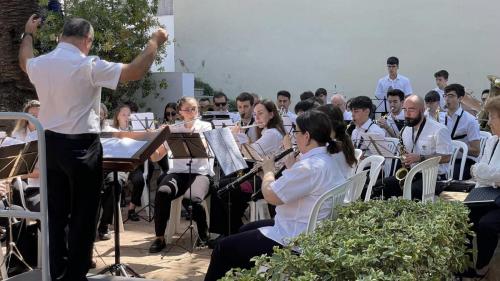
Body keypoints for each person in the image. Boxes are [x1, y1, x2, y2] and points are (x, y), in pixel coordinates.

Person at [19, 15, 168, 280]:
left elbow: (24, 60)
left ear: (61, 36)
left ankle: (58, 274)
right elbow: (134, 71)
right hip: (81, 148)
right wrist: (155, 41)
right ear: (87, 40)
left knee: (56, 214)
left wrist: (28, 34)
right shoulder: (88, 64)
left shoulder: (40, 64)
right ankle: (75, 276)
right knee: (84, 216)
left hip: (50, 146)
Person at [204, 110, 353, 280]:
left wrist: (268, 172)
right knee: (244, 230)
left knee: (223, 248)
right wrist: (278, 171)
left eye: (295, 132)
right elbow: (304, 186)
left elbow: (271, 196)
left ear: (306, 136)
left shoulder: (310, 167)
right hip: (309, 228)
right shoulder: (329, 158)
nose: (294, 137)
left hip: (293, 238)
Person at [148, 97, 213, 253]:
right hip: (178, 173)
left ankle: (204, 235)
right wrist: (153, 139)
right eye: (188, 109)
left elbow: (203, 146)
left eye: (194, 109)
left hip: (201, 173)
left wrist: (189, 132)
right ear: (179, 113)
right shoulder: (173, 130)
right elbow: (156, 157)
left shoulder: (205, 126)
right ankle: (159, 237)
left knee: (192, 199)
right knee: (163, 192)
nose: (192, 112)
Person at [377, 95, 452, 200]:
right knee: (379, 186)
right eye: (405, 110)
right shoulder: (405, 130)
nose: (407, 114)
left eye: (411, 110)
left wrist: (420, 158)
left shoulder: (439, 130)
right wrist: (404, 159)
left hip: (434, 177)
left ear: (422, 110)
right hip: (411, 174)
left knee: (411, 191)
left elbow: (446, 157)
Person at [464, 95, 500, 278]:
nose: (489, 121)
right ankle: (466, 261)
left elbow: (482, 171)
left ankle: (483, 264)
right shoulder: (492, 141)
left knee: (487, 225)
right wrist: (490, 175)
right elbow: (475, 169)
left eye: (493, 117)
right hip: (485, 192)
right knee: (462, 217)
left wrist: (486, 173)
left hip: (498, 198)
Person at [111, 104, 147, 221]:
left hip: (132, 165)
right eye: (124, 115)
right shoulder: (112, 131)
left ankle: (132, 209)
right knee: (115, 182)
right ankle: (114, 212)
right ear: (118, 117)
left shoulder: (135, 131)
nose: (127, 117)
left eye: (129, 115)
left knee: (139, 181)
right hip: (118, 166)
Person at [444, 83, 481, 180]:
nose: (447, 99)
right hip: (445, 160)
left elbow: (476, 151)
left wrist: (457, 147)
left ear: (460, 98)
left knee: (451, 176)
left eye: (451, 96)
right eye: (445, 96)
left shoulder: (470, 120)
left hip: (464, 161)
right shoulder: (439, 117)